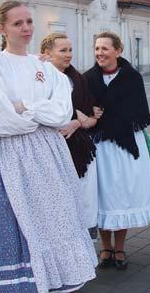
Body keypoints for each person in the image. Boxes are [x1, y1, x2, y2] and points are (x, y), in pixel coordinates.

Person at [0, 1, 97, 292]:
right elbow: (1, 121)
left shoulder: (44, 67)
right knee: (16, 220)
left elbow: (63, 113)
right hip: (12, 155)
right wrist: (40, 114)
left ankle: (54, 277)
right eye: (17, 23)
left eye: (28, 22)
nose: (25, 28)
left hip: (50, 154)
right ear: (2, 28)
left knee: (55, 218)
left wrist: (25, 106)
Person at [84, 31, 150, 270]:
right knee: (104, 195)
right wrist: (90, 113)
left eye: (105, 48)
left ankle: (120, 248)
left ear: (118, 51)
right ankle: (105, 248)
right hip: (100, 145)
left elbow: (138, 112)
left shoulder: (132, 78)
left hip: (125, 143)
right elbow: (79, 106)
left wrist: (107, 115)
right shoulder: (88, 78)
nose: (100, 53)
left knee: (122, 195)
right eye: (97, 49)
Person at [40, 32, 99, 237]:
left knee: (82, 199)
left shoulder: (78, 79)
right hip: (50, 147)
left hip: (80, 147)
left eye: (70, 50)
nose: (68, 55)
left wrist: (76, 122)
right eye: (63, 50)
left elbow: (92, 117)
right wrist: (78, 118)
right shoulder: (40, 78)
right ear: (47, 54)